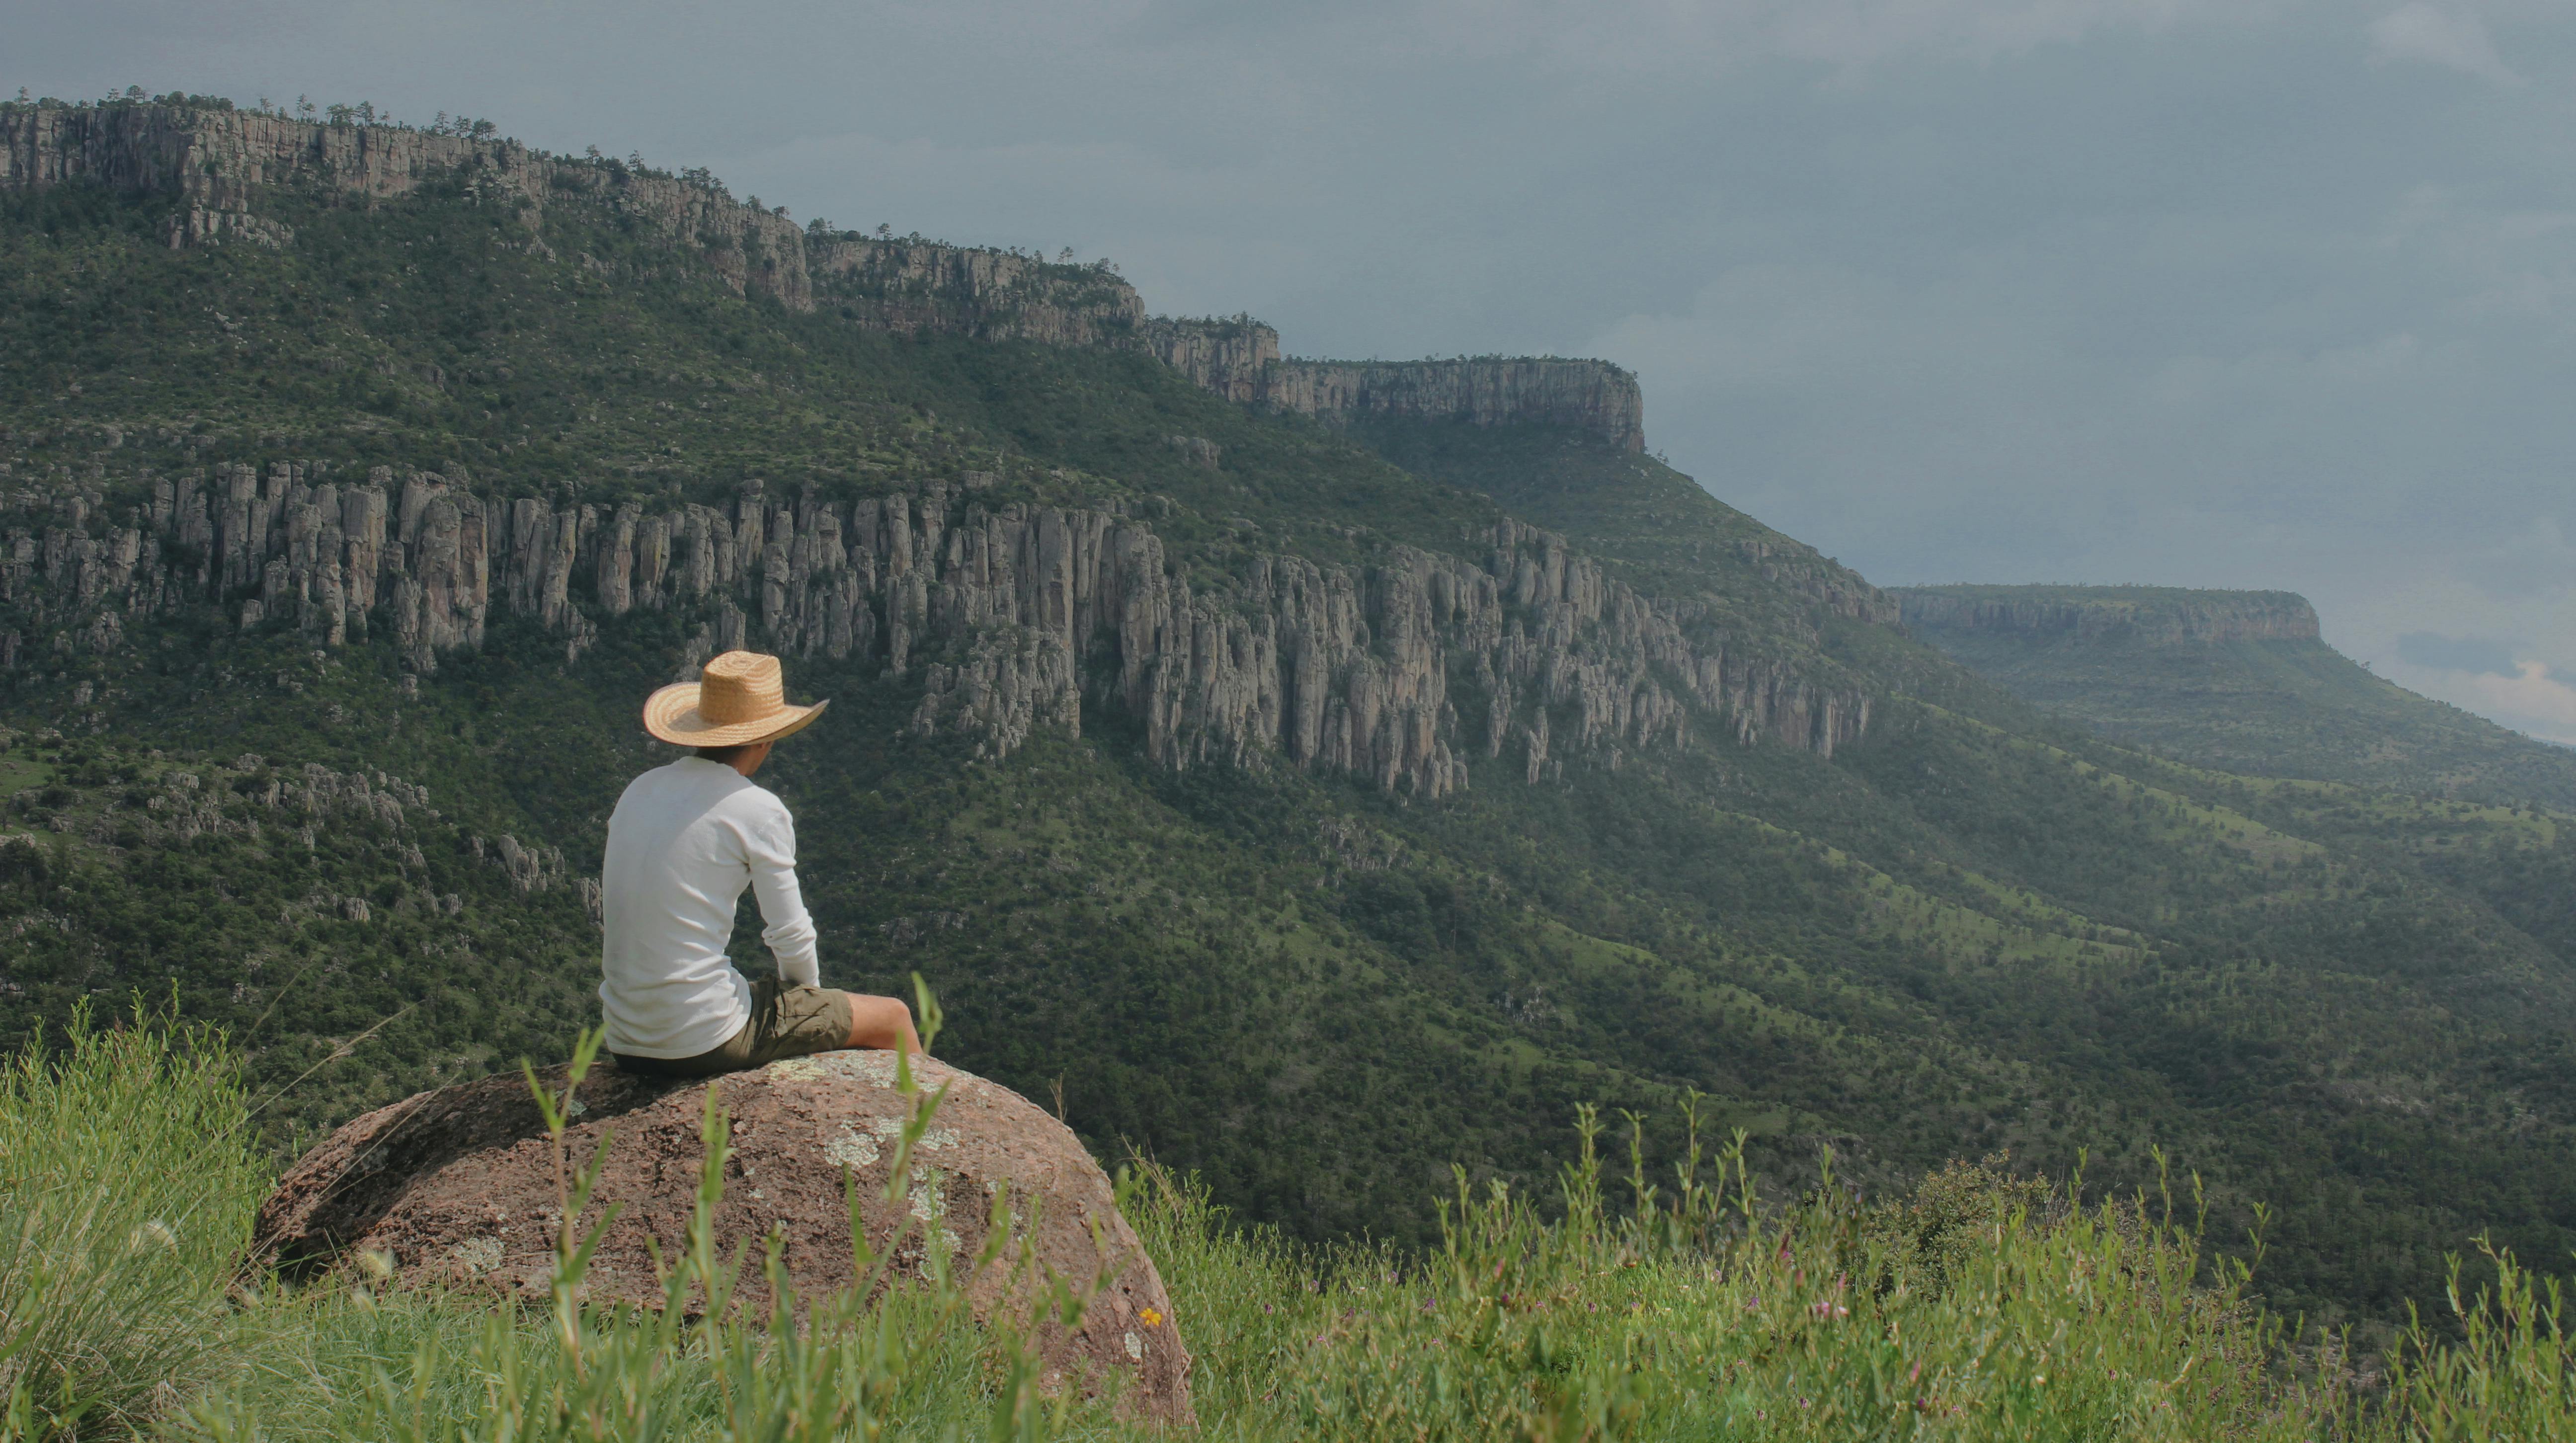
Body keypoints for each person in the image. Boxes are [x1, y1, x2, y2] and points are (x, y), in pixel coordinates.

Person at [601, 649, 920, 1076]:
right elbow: (790, 934)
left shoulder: (639, 790)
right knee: (895, 1017)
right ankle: (927, 1137)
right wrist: (808, 1004)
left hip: (625, 1039)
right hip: (700, 1041)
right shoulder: (756, 808)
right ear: (767, 738)